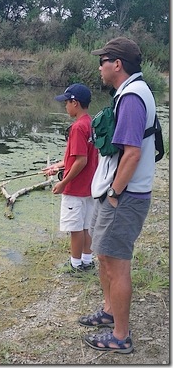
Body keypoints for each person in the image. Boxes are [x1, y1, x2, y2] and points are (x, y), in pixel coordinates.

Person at [79, 37, 157, 354]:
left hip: (124, 197)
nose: (99, 66)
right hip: (117, 192)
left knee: (117, 265)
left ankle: (121, 337)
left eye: (103, 60)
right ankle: (109, 311)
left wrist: (113, 193)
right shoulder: (128, 93)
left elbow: (133, 154)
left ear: (117, 64)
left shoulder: (133, 98)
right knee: (104, 255)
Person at [42, 83, 98, 275]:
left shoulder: (77, 128)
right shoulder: (91, 124)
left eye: (66, 102)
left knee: (75, 228)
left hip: (75, 188)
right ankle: (87, 261)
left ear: (75, 103)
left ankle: (75, 266)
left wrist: (62, 183)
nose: (65, 106)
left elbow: (80, 161)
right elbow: (77, 158)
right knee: (86, 226)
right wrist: (57, 166)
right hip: (90, 187)